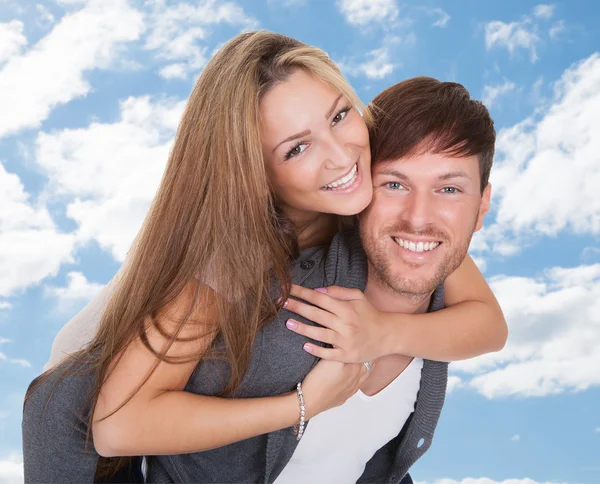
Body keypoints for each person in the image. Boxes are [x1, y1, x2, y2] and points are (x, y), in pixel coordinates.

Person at [23, 30, 504, 483]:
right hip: (86, 406)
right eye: (297, 148)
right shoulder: (224, 261)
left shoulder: (382, 196)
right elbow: (115, 424)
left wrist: (383, 333)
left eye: (339, 116)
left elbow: (488, 324)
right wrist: (303, 404)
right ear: (256, 171)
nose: (341, 156)